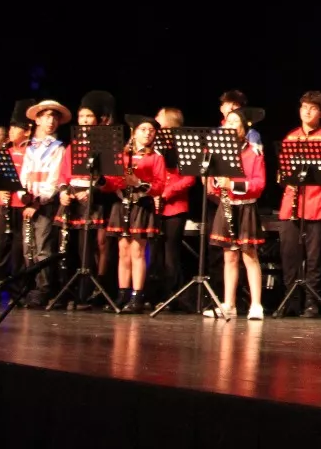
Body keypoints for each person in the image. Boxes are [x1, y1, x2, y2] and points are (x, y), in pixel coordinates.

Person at [276, 91, 321, 317]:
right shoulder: (291, 137)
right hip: (292, 205)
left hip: (318, 205)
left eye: (313, 108)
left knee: (314, 260)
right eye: (304, 106)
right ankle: (291, 301)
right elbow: (283, 172)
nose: (307, 111)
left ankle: (312, 304)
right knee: (289, 257)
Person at [207, 107, 267, 320]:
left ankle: (256, 305)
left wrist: (232, 183)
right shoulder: (219, 152)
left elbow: (259, 184)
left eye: (235, 123)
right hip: (226, 206)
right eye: (228, 122)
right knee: (229, 256)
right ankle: (229, 303)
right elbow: (213, 186)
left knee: (249, 256)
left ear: (243, 129)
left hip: (246, 206)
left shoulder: (253, 151)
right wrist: (216, 182)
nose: (230, 126)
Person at [106, 116, 166, 313]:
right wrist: (118, 182)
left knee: (137, 251)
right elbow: (111, 180)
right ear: (134, 132)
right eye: (143, 129)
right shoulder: (122, 155)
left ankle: (137, 295)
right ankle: (122, 293)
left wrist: (139, 183)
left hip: (141, 205)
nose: (148, 133)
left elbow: (159, 186)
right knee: (123, 250)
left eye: (151, 130)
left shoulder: (156, 157)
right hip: (122, 203)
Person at [17, 99, 71, 307]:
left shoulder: (58, 148)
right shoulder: (30, 147)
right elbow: (24, 174)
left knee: (43, 247)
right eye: (47, 116)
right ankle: (30, 285)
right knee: (28, 246)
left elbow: (55, 179)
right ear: (38, 119)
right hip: (29, 202)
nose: (51, 121)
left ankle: (44, 288)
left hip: (45, 203)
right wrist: (25, 197)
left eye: (55, 118)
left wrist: (38, 202)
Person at [67, 91, 118, 297]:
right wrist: (67, 191)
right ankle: (83, 286)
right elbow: (65, 172)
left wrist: (95, 188)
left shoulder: (108, 143)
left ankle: (101, 284)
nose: (85, 120)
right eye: (81, 116)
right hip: (78, 197)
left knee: (101, 242)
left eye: (89, 116)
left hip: (101, 197)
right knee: (82, 244)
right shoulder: (75, 144)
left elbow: (114, 177)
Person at [153, 106, 197, 309]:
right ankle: (157, 293)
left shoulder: (184, 145)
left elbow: (189, 178)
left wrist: (166, 193)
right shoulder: (153, 144)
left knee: (171, 252)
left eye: (159, 118)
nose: (154, 120)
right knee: (155, 253)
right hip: (153, 205)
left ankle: (174, 296)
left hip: (175, 206)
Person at [0, 100, 35, 285]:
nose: (11, 132)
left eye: (16, 128)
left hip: (22, 206)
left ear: (27, 131)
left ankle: (18, 290)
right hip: (4, 205)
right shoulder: (4, 151)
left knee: (18, 250)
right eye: (11, 128)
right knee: (0, 248)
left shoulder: (32, 152)